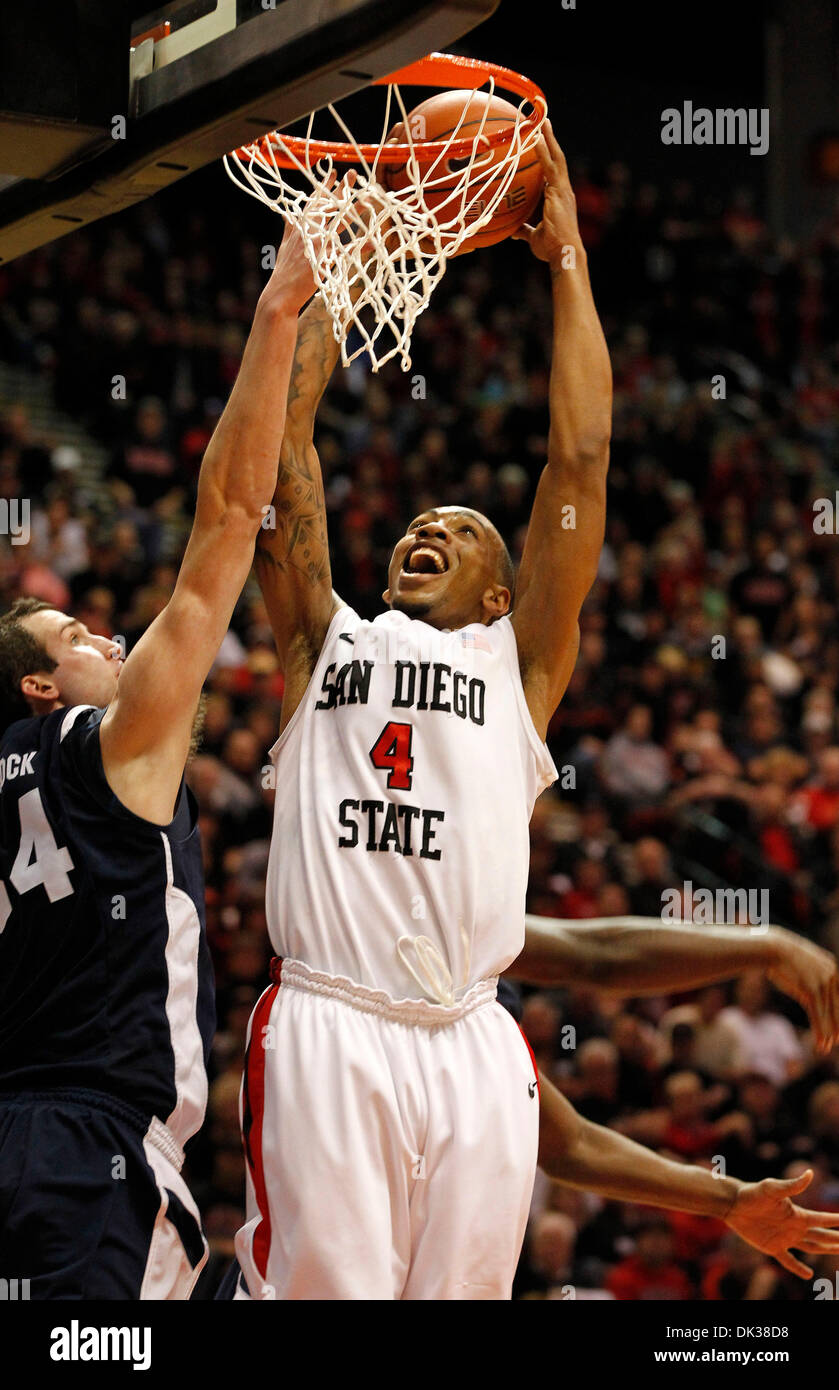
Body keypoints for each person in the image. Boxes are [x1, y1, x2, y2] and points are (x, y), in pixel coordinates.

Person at [233, 122, 839, 1299]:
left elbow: (580, 458)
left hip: (468, 1044)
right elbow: (280, 457)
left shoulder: (520, 673)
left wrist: (566, 261)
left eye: (459, 532)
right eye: (417, 523)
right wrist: (334, 264)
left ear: (503, 592)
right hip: (330, 1023)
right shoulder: (328, 639)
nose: (425, 530)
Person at [0, 221, 318, 1298]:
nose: (104, 636)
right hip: (96, 1150)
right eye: (73, 638)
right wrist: (277, 310)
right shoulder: (109, 739)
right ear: (40, 689)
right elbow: (228, 522)